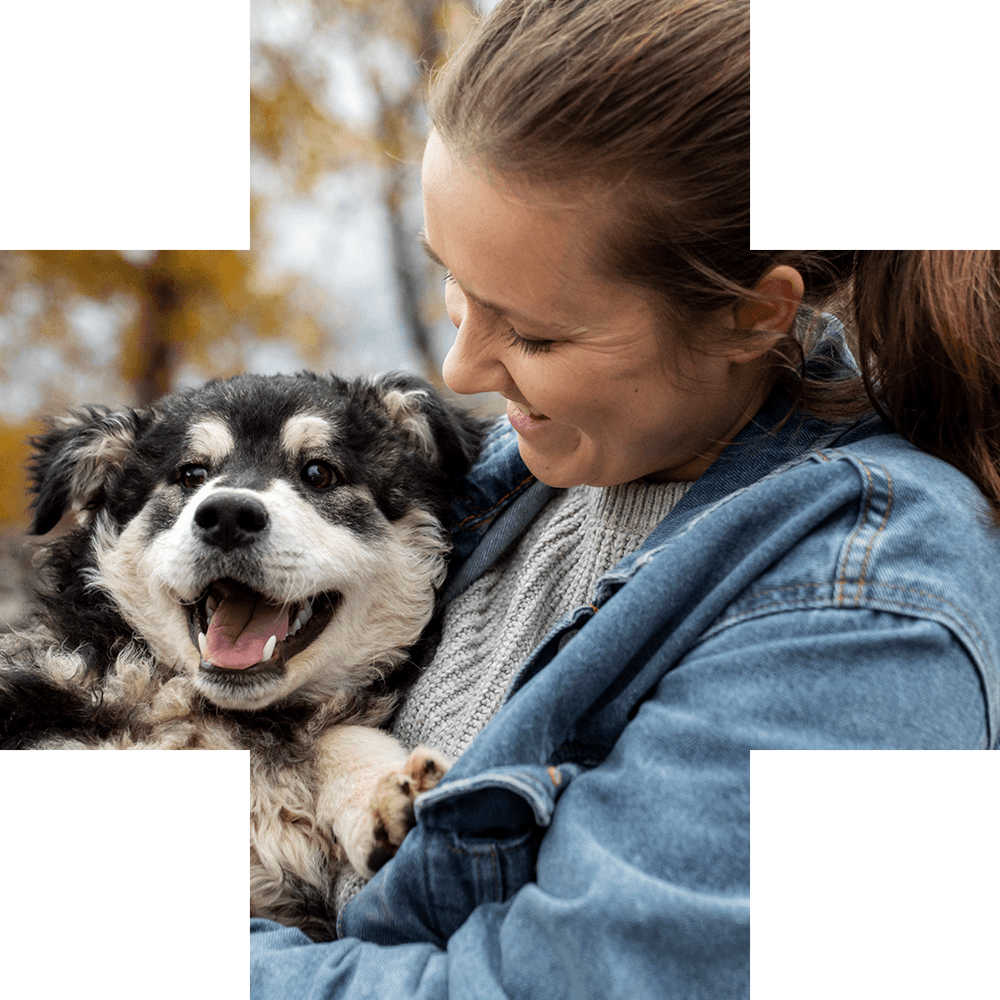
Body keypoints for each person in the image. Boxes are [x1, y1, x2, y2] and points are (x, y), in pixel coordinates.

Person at [250, 1, 1000, 996]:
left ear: (750, 315)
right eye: (454, 285)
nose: (459, 365)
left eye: (535, 335)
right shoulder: (509, 482)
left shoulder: (870, 619)